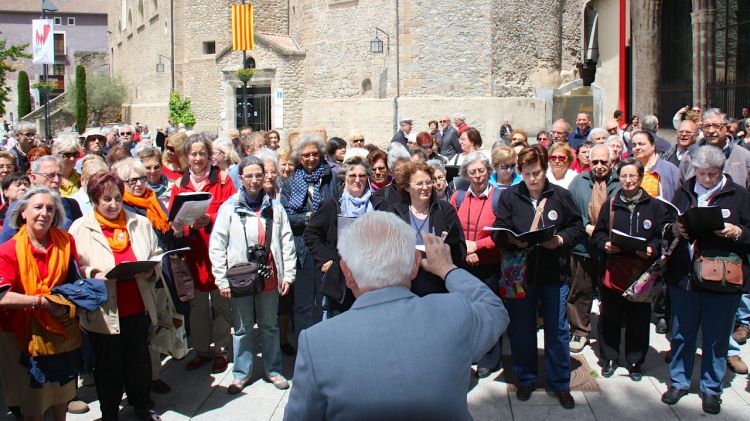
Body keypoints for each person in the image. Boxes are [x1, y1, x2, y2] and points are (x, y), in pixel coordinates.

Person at [283, 212, 509, 420]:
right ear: (414, 266)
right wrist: (446, 269)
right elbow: (494, 309)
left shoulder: (317, 342)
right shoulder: (455, 312)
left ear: (347, 273)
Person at [492, 145, 585, 409]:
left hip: (554, 274)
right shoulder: (511, 196)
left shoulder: (560, 196)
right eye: (528, 174)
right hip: (522, 275)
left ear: (545, 171)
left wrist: (560, 238)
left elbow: (577, 227)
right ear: (521, 172)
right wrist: (511, 240)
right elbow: (499, 230)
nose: (533, 179)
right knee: (522, 328)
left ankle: (560, 383)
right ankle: (525, 378)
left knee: (557, 330)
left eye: (538, 173)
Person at [661, 145, 750, 415]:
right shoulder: (685, 190)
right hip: (685, 276)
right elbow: (665, 222)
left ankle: (712, 388)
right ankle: (679, 381)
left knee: (716, 337)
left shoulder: (738, 195)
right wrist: (673, 227)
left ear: (721, 171)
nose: (707, 179)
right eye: (702, 174)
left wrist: (736, 231)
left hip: (722, 278)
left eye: (712, 174)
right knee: (682, 333)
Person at [68, 173, 163, 421]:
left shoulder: (139, 222)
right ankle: (109, 412)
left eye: (118, 199)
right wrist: (93, 272)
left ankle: (141, 404)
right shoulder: (80, 227)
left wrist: (151, 268)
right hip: (103, 311)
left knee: (138, 360)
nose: (113, 205)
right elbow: (74, 267)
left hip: (137, 303)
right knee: (108, 366)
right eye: (106, 199)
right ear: (94, 200)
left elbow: (156, 252)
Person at [209, 156, 295, 394]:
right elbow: (217, 245)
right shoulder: (229, 208)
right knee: (242, 327)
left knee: (269, 324)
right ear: (241, 178)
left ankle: (274, 369)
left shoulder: (275, 207)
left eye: (259, 175)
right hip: (240, 276)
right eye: (249, 176)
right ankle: (241, 373)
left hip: (268, 274)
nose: (255, 180)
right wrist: (221, 279)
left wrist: (288, 274)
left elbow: (286, 241)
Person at [0, 187, 80, 421]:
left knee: (61, 394)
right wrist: (41, 302)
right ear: (23, 212)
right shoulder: (8, 250)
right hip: (22, 333)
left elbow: (74, 279)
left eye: (50, 208)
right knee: (34, 400)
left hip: (60, 329)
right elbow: (2, 296)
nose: (44, 213)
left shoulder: (65, 242)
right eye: (38, 207)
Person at [592, 159, 669, 380]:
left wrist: (651, 249)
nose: (627, 181)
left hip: (641, 273)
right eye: (624, 176)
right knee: (611, 317)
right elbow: (598, 233)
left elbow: (660, 238)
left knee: (639, 319)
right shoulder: (612, 203)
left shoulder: (654, 206)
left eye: (632, 176)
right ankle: (610, 357)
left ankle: (635, 360)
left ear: (641, 177)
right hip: (615, 269)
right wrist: (604, 244)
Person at [169, 135, 237, 373]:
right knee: (197, 306)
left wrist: (211, 218)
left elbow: (233, 211)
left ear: (210, 155)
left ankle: (222, 350)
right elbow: (174, 217)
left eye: (202, 153)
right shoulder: (179, 185)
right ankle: (201, 350)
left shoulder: (223, 179)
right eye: (193, 154)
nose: (198, 158)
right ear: (186, 157)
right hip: (193, 253)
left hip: (218, 252)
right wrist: (180, 226)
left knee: (221, 303)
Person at [449, 152, 503, 378]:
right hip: (464, 264)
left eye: (481, 171)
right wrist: (465, 250)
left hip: (490, 264)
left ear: (488, 171)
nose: (478, 176)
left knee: (488, 312)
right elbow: (450, 229)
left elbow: (503, 234)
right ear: (466, 174)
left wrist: (477, 247)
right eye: (473, 172)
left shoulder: (500, 198)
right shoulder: (458, 198)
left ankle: (490, 358)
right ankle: (468, 354)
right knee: (465, 312)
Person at [280, 134, 339, 335]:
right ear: (299, 157)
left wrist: (319, 220)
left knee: (324, 302)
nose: (311, 159)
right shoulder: (290, 183)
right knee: (303, 303)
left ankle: (324, 343)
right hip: (302, 250)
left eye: (315, 154)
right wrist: (309, 218)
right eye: (306, 155)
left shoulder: (330, 177)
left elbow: (336, 207)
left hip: (325, 247)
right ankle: (304, 346)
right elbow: (286, 215)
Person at [304, 156, 374, 316]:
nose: (358, 180)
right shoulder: (333, 205)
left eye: (362, 176)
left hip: (370, 279)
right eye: (353, 176)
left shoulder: (376, 204)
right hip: (341, 281)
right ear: (344, 179)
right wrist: (326, 259)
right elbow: (311, 233)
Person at [567, 144, 620, 353]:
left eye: (603, 162)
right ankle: (579, 331)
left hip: (610, 247)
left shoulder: (618, 182)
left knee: (609, 294)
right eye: (594, 161)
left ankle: (608, 334)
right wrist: (586, 226)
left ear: (611, 162)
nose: (598, 166)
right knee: (580, 290)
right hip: (583, 247)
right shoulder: (579, 182)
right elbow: (570, 211)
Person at [388, 161, 466, 296]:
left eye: (429, 182)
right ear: (407, 187)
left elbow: (460, 247)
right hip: (405, 286)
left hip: (439, 285)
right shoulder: (394, 213)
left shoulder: (444, 210)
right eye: (419, 184)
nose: (425, 187)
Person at [1, 155, 83, 242]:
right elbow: (5, 245)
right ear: (33, 178)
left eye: (59, 175)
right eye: (50, 175)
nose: (56, 180)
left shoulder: (71, 204)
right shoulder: (18, 206)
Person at [631, 130, 680, 201]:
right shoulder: (628, 168)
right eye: (634, 145)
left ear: (653, 146)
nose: (637, 148)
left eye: (641, 144)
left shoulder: (669, 169)